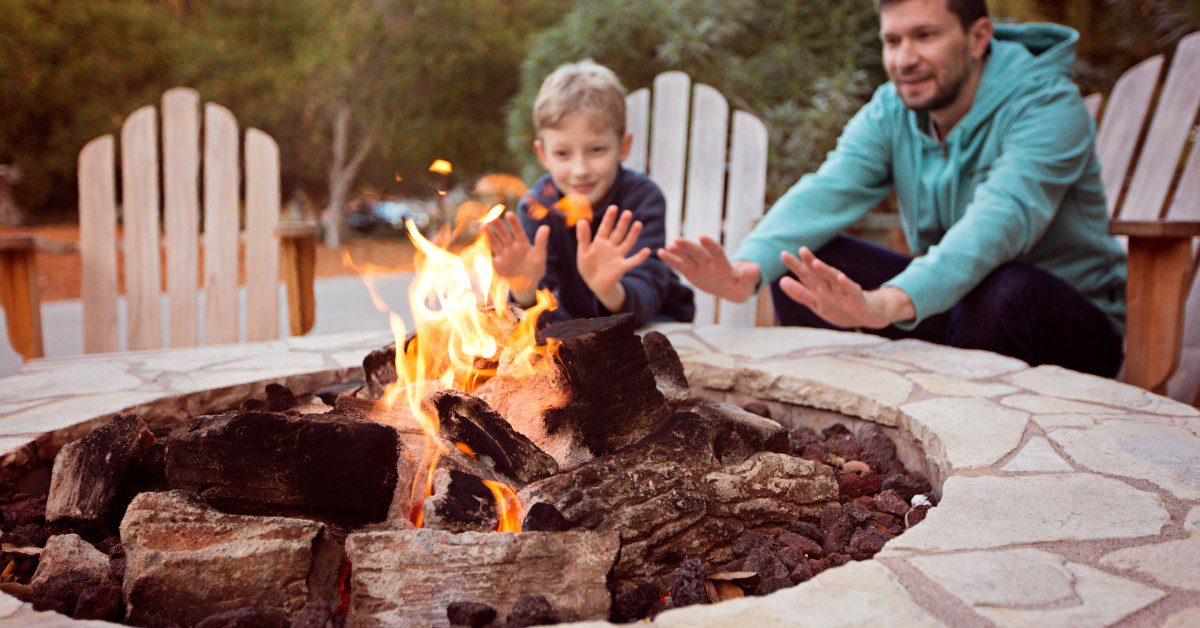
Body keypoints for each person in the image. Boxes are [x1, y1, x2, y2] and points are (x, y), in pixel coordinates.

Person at [660, 0, 1125, 377]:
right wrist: (745, 271)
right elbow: (828, 189)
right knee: (804, 267)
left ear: (979, 37)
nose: (904, 59)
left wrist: (884, 303)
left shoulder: (1048, 105)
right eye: (892, 40)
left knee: (1002, 288)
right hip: (958, 311)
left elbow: (999, 222)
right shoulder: (893, 110)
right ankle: (842, 432)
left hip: (1067, 325)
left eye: (925, 35)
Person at [486, 60, 694, 326]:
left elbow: (648, 294)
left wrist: (608, 288)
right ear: (543, 155)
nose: (580, 170)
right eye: (562, 153)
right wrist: (523, 287)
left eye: (596, 150)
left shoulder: (642, 199)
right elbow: (532, 318)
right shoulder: (537, 207)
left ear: (623, 146)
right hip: (576, 336)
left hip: (652, 329)